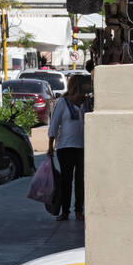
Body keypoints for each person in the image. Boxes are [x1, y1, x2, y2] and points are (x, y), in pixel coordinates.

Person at [48, 77, 89, 222]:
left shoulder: (86, 105)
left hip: (82, 147)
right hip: (65, 147)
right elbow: (54, 124)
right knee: (66, 180)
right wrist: (50, 146)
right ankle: (65, 211)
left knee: (80, 181)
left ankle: (79, 210)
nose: (84, 92)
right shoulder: (63, 103)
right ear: (75, 88)